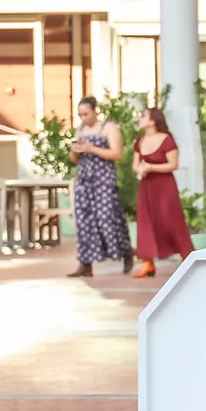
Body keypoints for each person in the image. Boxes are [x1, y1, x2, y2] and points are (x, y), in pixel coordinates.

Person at [66, 96, 132, 278]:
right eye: (80, 115)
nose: (83, 118)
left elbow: (117, 153)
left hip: (103, 178)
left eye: (86, 114)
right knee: (84, 221)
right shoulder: (80, 130)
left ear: (95, 111)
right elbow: (73, 160)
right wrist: (75, 151)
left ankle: (126, 252)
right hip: (84, 179)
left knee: (107, 218)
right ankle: (85, 264)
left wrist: (92, 149)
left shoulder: (108, 128)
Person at [129, 106, 195, 277]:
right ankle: (147, 263)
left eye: (143, 116)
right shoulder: (140, 141)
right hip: (146, 186)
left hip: (164, 185)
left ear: (153, 120)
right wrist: (140, 170)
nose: (140, 118)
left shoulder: (167, 140)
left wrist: (151, 167)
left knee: (171, 219)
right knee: (146, 220)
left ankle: (188, 257)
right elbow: (135, 164)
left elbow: (173, 164)